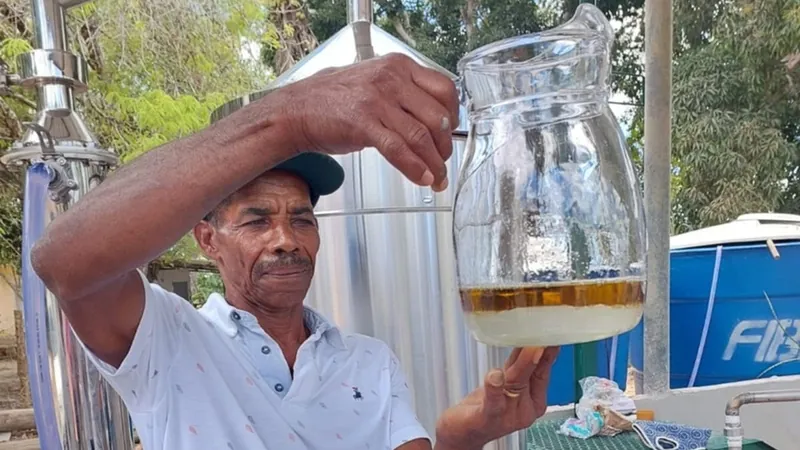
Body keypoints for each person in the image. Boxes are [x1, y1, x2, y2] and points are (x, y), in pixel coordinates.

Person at [32, 53, 559, 450]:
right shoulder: (167, 342)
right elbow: (63, 261)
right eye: (257, 220)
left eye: (301, 218)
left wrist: (460, 434)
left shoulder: (369, 362)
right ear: (208, 239)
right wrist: (288, 119)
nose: (285, 239)